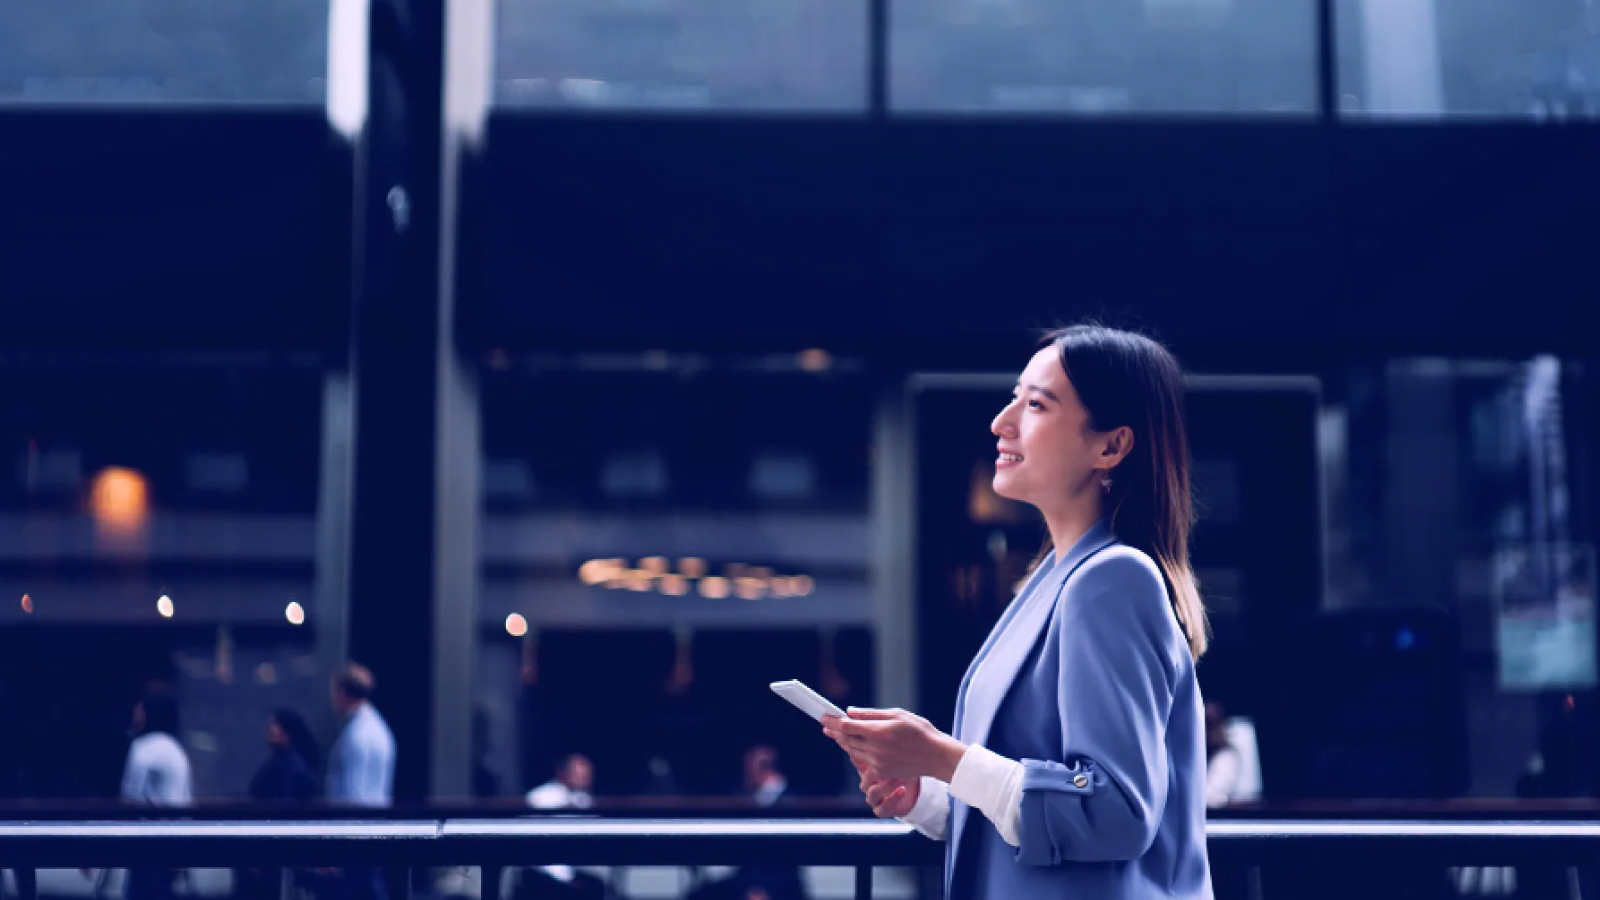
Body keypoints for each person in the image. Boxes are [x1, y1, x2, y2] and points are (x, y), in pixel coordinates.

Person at [822, 324, 1213, 900]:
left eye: (1035, 404)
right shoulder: (1052, 578)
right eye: (1014, 398)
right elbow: (1042, 808)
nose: (1001, 422)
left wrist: (944, 759)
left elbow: (1118, 813)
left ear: (1112, 446)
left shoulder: (1110, 580)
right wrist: (931, 798)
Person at [324, 664, 396, 900]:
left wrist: (338, 845)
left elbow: (353, 794)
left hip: (356, 833)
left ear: (344, 692)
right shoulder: (377, 729)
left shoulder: (358, 736)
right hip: (370, 828)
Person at [120, 692, 193, 900]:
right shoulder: (176, 749)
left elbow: (130, 797)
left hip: (148, 840)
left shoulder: (143, 748)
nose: (135, 717)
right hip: (175, 838)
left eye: (139, 712)